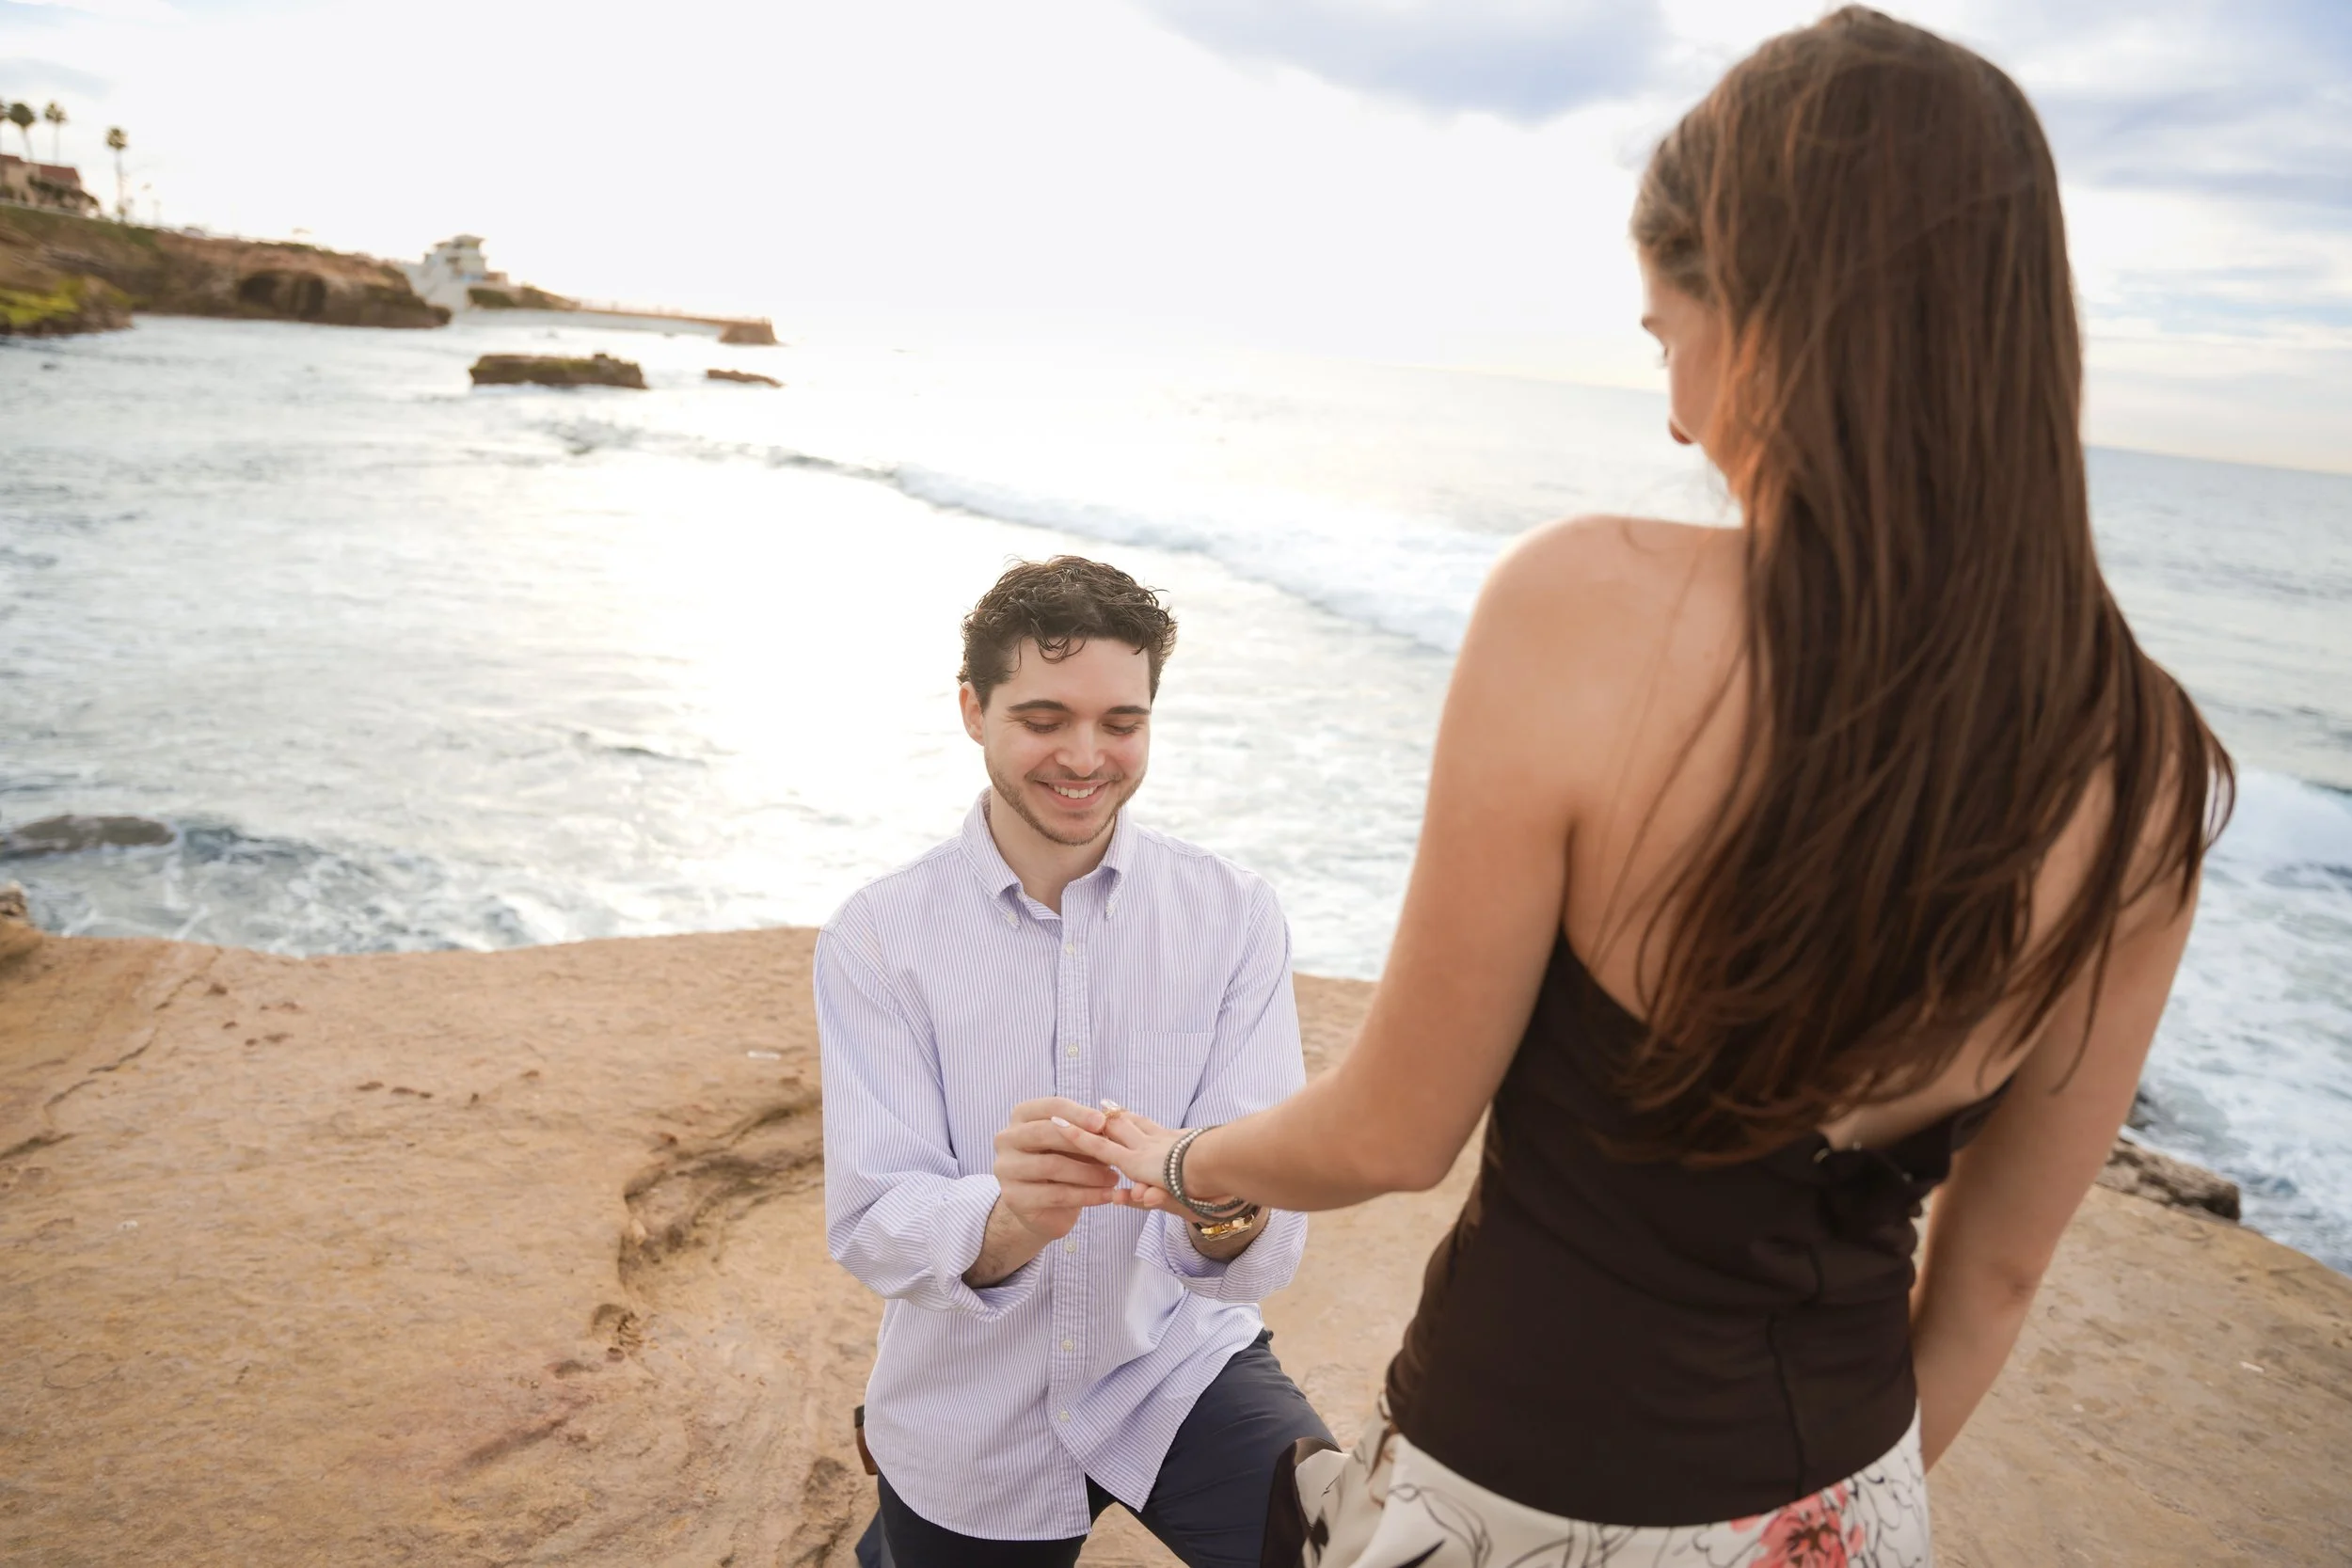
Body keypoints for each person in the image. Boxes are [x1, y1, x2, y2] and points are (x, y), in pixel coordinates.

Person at [1054, 10, 2233, 1564]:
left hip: (1506, 1490)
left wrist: (1183, 1161)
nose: (1677, 411)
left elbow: (1398, 1131)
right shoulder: (2151, 767)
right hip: (1849, 1501)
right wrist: (1805, 1518)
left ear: (1770, 315)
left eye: (1670, 333)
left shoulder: (1584, 608)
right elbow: (1997, 1278)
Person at [818, 556, 1333, 1568]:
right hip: (969, 1403)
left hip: (1172, 1362)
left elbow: (1260, 1217)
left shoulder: (1233, 913)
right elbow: (875, 1219)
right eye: (1044, 717)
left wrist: (1208, 1189)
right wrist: (1009, 1221)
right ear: (973, 708)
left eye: (1121, 722)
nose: (1086, 755)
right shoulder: (876, 935)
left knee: (1350, 1553)